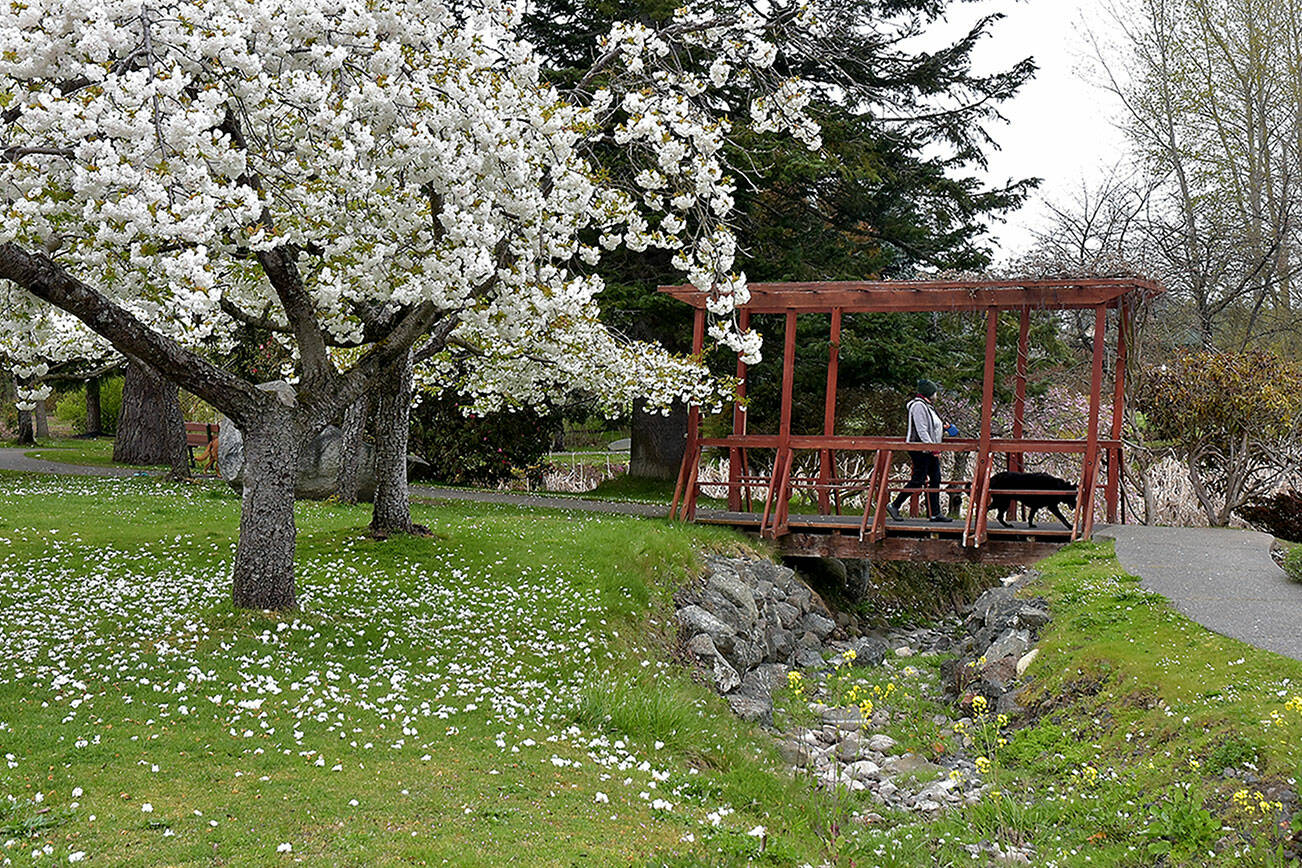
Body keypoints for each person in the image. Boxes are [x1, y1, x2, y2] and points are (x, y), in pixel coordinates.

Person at [886, 379, 952, 522]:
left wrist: (944, 430)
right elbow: (921, 429)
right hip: (920, 448)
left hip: (930, 448)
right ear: (929, 393)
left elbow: (932, 427)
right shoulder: (918, 406)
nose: (936, 395)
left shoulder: (928, 406)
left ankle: (935, 513)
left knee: (936, 479)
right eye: (934, 392)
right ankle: (895, 505)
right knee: (918, 479)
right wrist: (931, 447)